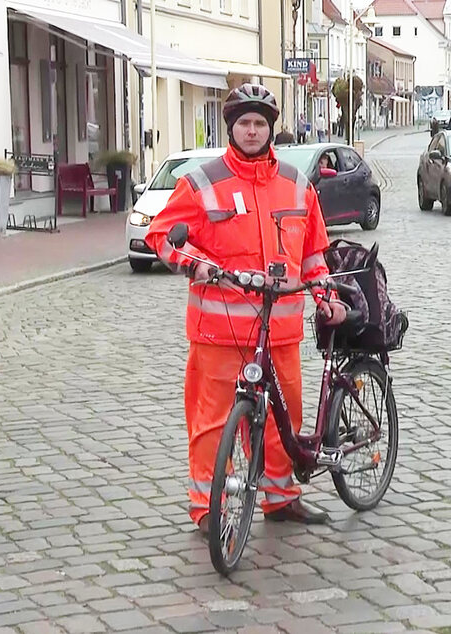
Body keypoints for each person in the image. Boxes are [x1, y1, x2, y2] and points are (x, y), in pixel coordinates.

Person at [145, 84, 347, 533]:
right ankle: (207, 510)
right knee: (211, 424)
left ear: (270, 129)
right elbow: (162, 233)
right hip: (219, 331)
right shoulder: (201, 182)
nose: (252, 132)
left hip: (281, 330)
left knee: (284, 419)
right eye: (244, 124)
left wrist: (325, 297)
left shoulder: (296, 184)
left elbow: (314, 252)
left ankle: (280, 498)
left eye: (260, 124)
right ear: (231, 128)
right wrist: (193, 264)